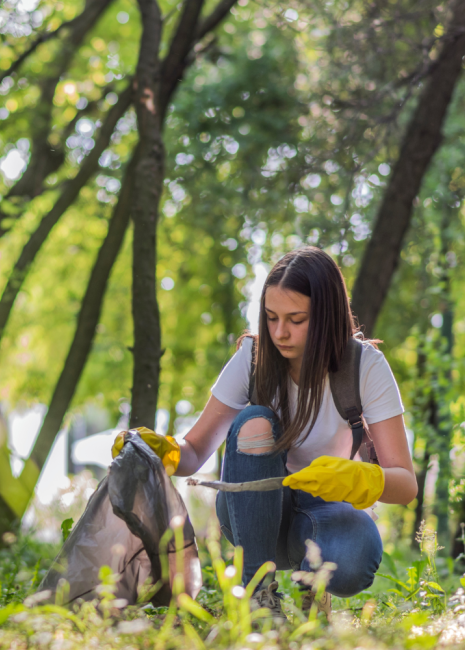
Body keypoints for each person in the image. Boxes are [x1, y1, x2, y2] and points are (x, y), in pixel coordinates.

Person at [113, 246, 416, 621]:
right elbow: (193, 452)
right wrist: (160, 450)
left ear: (326, 315)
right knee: (255, 420)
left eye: (296, 319)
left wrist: (358, 478)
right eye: (271, 318)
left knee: (355, 558)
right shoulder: (254, 359)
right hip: (252, 511)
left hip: (327, 513)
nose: (279, 332)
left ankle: (312, 585)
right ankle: (256, 599)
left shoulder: (365, 366)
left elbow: (405, 484)